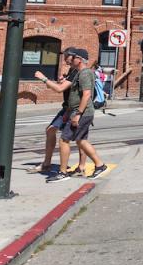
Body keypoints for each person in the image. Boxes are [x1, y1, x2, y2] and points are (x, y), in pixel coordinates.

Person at [36, 48, 108, 182]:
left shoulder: (85, 73)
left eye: (72, 57)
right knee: (81, 140)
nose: (69, 60)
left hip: (81, 112)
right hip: (77, 111)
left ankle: (63, 172)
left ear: (79, 59)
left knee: (64, 140)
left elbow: (86, 94)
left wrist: (78, 114)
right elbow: (65, 90)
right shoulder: (78, 73)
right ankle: (100, 165)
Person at [28, 48, 85, 176]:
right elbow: (63, 87)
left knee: (80, 138)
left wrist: (44, 79)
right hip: (67, 107)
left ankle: (81, 166)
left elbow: (59, 89)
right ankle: (46, 164)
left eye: (66, 57)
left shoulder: (78, 71)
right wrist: (62, 81)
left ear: (74, 57)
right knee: (50, 130)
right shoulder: (71, 71)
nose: (65, 60)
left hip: (76, 108)